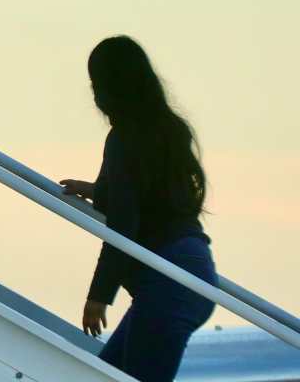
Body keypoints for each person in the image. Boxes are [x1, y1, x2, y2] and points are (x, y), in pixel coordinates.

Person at [60, 36, 217, 382]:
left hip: (167, 279)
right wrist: (98, 190)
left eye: (96, 84)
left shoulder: (125, 138)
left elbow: (123, 225)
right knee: (107, 374)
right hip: (194, 266)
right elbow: (153, 197)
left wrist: (99, 296)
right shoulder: (169, 128)